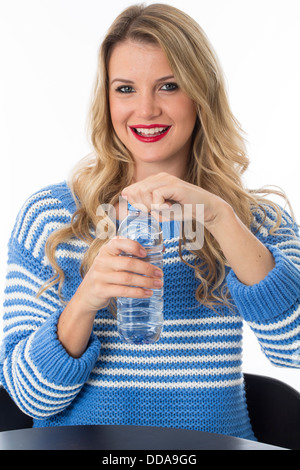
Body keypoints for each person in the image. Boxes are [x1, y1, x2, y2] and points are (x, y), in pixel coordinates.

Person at [0, 3, 299, 440]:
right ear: (106, 100)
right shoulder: (51, 218)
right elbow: (29, 399)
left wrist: (219, 217)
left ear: (201, 94)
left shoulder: (255, 222)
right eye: (125, 89)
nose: (145, 109)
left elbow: (294, 349)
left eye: (168, 86)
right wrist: (85, 300)